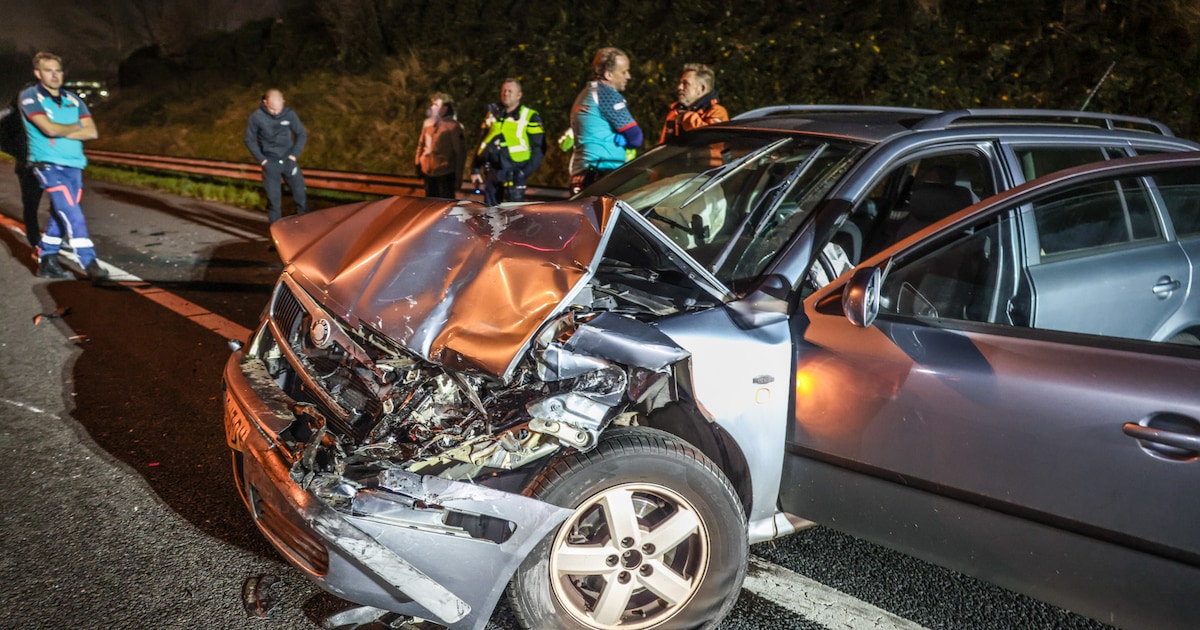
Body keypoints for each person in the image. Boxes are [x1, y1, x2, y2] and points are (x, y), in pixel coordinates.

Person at [18, 52, 105, 281]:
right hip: (47, 164)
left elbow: (92, 131)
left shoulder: (74, 99)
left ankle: (47, 260)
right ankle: (89, 262)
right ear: (38, 73)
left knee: (60, 213)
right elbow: (48, 129)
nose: (55, 75)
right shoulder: (30, 96)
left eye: (58, 70)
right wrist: (74, 128)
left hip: (74, 165)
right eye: (48, 70)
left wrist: (60, 129)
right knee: (72, 213)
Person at [568, 47, 644, 195]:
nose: (628, 76)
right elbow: (636, 137)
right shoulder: (606, 94)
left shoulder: (586, 93)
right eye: (623, 72)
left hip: (582, 171)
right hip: (601, 172)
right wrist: (626, 140)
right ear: (608, 74)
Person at [469, 79, 545, 206]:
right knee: (490, 216)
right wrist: (475, 169)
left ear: (519, 95)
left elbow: (539, 148)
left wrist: (524, 173)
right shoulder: (493, 114)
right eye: (503, 91)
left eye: (510, 91)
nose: (506, 94)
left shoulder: (530, 116)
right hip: (493, 171)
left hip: (515, 172)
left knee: (513, 216)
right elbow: (482, 141)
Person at [244, 88, 308, 223]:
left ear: (283, 102)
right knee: (274, 202)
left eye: (279, 109)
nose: (276, 113)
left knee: (301, 196)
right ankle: (275, 237)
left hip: (288, 160)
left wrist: (294, 155)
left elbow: (301, 134)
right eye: (273, 110)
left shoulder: (289, 114)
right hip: (270, 162)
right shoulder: (256, 117)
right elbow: (249, 140)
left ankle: (303, 231)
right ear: (265, 102)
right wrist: (263, 161)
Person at [1, 86, 44, 247]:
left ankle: (55, 236)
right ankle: (34, 239)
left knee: (60, 202)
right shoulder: (12, 115)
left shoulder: (50, 110)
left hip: (51, 162)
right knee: (31, 203)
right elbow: (3, 137)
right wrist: (20, 153)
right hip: (27, 164)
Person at [660, 63, 729, 143]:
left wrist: (686, 118)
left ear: (702, 89)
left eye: (686, 84)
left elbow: (712, 137)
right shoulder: (674, 113)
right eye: (680, 83)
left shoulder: (717, 112)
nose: (679, 87)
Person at [415, 92, 466, 199]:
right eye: (432, 105)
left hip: (445, 173)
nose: (432, 107)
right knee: (429, 204)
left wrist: (458, 176)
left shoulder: (453, 127)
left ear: (444, 108)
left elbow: (460, 153)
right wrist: (418, 163)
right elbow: (421, 144)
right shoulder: (427, 123)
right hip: (428, 171)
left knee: (444, 204)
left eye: (436, 105)